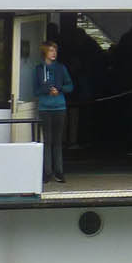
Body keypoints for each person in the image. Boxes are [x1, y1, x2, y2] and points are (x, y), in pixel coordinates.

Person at [33, 40, 74, 183]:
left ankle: (59, 171)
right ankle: (47, 171)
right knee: (47, 140)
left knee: (57, 141)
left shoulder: (61, 68)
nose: (54, 53)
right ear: (45, 52)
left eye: (55, 51)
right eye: (51, 51)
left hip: (59, 107)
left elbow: (70, 86)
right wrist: (46, 90)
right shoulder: (39, 69)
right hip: (45, 108)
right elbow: (35, 90)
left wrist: (60, 89)